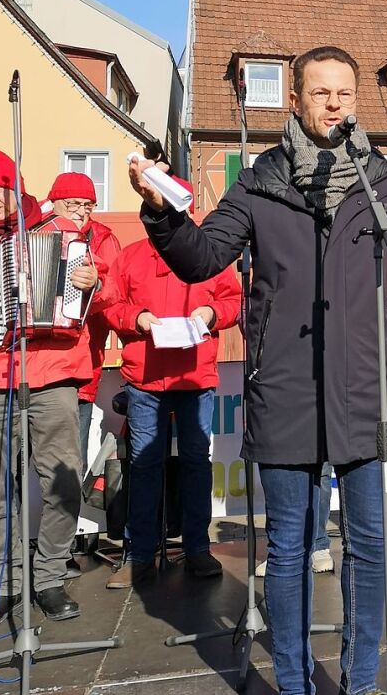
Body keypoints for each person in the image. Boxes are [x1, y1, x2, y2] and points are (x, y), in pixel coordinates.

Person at [126, 46, 387, 695]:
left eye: (344, 93)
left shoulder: (382, 183)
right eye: (320, 92)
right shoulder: (262, 179)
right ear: (294, 101)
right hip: (287, 390)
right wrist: (161, 212)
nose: (333, 103)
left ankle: (359, 683)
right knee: (290, 550)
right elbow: (202, 257)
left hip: (362, 392)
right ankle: (294, 683)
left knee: (367, 546)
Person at [0, 150, 99, 630]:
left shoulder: (58, 233)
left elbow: (82, 298)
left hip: (53, 371)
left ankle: (48, 578)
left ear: (15, 188)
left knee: (62, 481)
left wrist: (89, 280)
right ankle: (6, 585)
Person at [100, 204, 242, 589]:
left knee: (197, 463)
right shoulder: (130, 257)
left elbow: (233, 301)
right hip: (145, 378)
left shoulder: (210, 254)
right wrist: (138, 319)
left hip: (196, 378)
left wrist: (211, 313)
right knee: (145, 466)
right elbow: (109, 305)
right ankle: (140, 555)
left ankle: (197, 548)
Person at [47, 172, 123, 576]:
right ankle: (27, 550)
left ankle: (58, 553)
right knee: (23, 464)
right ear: (54, 203)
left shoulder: (104, 240)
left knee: (69, 463)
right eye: (73, 203)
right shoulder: (38, 233)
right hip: (34, 372)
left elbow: (116, 293)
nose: (81, 211)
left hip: (80, 370)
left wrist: (98, 285)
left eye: (88, 204)